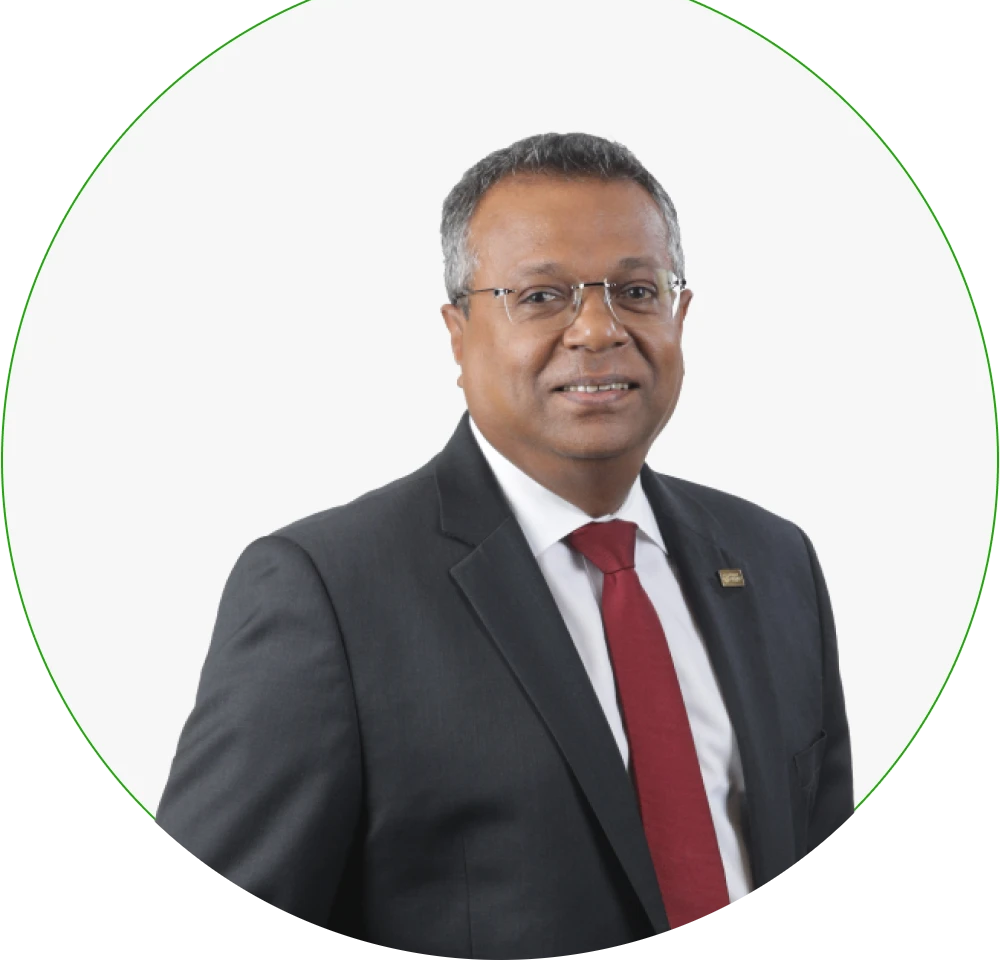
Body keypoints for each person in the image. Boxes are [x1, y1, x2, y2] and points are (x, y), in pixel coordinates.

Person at [155, 132, 854, 953]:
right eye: (541, 296)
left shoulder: (774, 561)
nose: (597, 330)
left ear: (680, 315)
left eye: (636, 290)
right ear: (457, 332)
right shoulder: (327, 595)